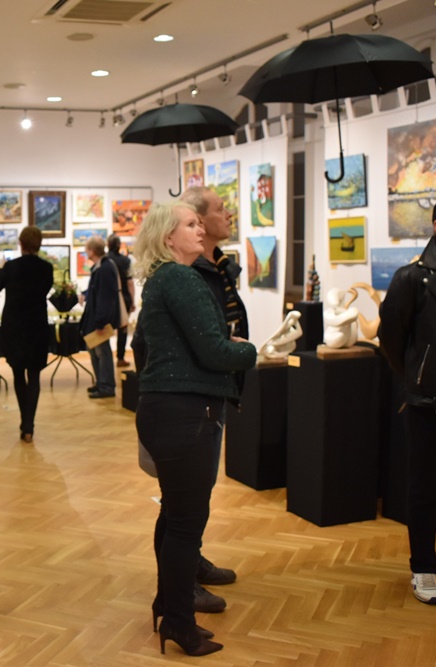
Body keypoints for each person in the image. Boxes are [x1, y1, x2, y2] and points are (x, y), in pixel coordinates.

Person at [133, 201, 256, 657]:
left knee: (175, 515)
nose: (200, 229)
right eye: (190, 224)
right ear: (169, 237)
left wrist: (224, 344)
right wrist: (248, 350)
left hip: (169, 410)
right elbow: (214, 352)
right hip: (185, 413)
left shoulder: (163, 278)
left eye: (199, 222)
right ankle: (179, 623)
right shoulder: (181, 278)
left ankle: (169, 607)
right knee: (186, 523)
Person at [378, 190, 436, 606]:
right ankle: (423, 567)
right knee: (425, 485)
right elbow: (391, 338)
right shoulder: (413, 277)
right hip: (429, 401)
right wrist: (418, 378)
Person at [177, 185, 251, 611]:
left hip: (214, 389)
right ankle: (181, 583)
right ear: (200, 222)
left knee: (199, 491)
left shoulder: (218, 268)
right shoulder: (189, 275)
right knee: (185, 497)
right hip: (195, 397)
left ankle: (193, 562)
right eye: (222, 209)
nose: (229, 214)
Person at [0, 226, 54, 442]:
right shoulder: (46, 268)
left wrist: (4, 269)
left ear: (21, 243)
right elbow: (44, 290)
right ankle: (29, 426)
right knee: (34, 375)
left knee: (18, 374)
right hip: (37, 325)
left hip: (15, 327)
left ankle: (24, 421)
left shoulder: (12, 267)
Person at [80, 236, 121, 399]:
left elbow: (105, 297)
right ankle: (100, 383)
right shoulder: (100, 267)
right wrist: (85, 294)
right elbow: (97, 290)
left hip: (100, 319)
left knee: (102, 352)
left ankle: (106, 386)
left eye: (87, 249)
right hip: (96, 318)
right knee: (95, 351)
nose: (86, 252)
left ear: (92, 250)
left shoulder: (105, 268)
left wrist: (100, 321)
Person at [106, 234, 135, 368]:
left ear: (108, 245)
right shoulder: (125, 260)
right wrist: (132, 301)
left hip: (108, 299)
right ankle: (120, 358)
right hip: (124, 298)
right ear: (119, 245)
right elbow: (130, 283)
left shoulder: (105, 260)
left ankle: (106, 359)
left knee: (106, 328)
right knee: (123, 329)